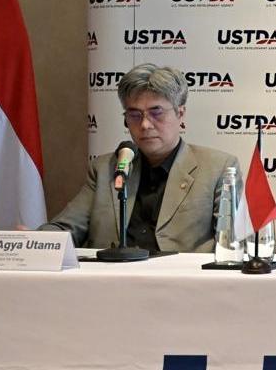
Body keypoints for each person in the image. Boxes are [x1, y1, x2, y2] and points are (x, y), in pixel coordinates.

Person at [41, 64, 238, 252]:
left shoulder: (218, 168)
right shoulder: (104, 169)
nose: (145, 125)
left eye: (156, 113)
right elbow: (65, 228)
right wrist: (35, 240)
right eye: (135, 115)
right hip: (112, 275)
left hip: (179, 275)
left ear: (180, 113)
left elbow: (233, 244)